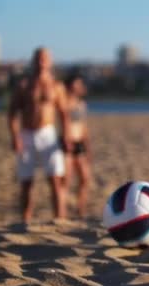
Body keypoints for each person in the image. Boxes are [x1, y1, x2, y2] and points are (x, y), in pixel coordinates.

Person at [7, 47, 71, 222]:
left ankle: (60, 219)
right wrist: (15, 136)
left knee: (56, 179)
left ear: (50, 61)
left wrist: (66, 136)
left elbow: (64, 114)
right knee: (27, 182)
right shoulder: (24, 85)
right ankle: (25, 219)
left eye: (45, 58)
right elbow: (12, 112)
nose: (41, 62)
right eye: (38, 58)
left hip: (48, 134)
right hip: (27, 134)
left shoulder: (56, 86)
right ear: (33, 61)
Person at [62, 74, 91, 218]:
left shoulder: (82, 104)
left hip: (79, 143)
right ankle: (63, 212)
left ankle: (80, 209)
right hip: (66, 143)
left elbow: (84, 126)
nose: (79, 87)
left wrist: (88, 146)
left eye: (80, 85)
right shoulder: (63, 102)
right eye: (76, 84)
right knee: (66, 180)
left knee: (85, 178)